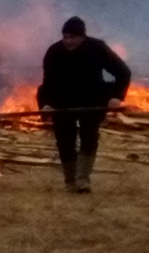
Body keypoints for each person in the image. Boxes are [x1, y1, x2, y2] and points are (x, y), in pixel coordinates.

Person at [35, 14, 133, 193]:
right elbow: (47, 83)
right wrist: (46, 104)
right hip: (62, 100)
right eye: (65, 37)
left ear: (82, 37)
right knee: (65, 140)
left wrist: (116, 96)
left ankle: (83, 179)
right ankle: (70, 180)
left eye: (73, 37)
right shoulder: (54, 52)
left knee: (89, 137)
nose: (68, 41)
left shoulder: (97, 49)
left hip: (92, 99)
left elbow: (123, 72)